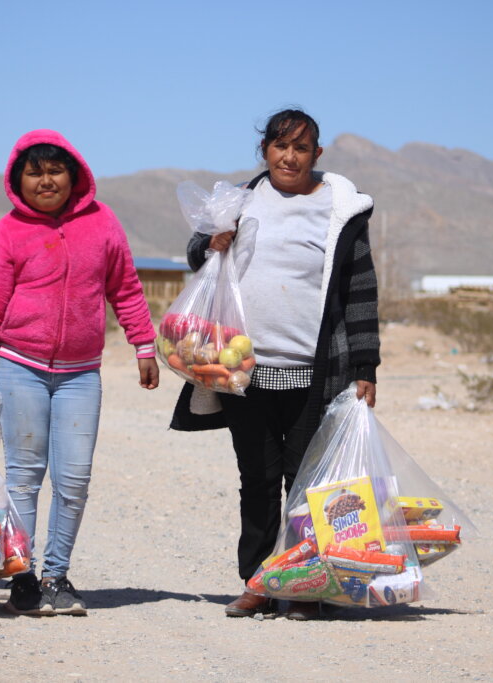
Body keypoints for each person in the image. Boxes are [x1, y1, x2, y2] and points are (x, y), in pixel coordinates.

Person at [170, 109, 380, 620]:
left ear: (317, 155)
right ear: (265, 149)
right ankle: (259, 582)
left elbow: (360, 291)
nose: (290, 157)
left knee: (309, 484)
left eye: (301, 148)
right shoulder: (240, 200)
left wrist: (366, 367)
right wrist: (210, 242)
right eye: (280, 146)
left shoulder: (341, 210)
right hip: (243, 370)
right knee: (258, 479)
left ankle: (307, 585)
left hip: (317, 371)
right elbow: (199, 251)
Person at [0, 130, 160, 617]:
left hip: (80, 374)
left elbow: (127, 289)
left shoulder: (102, 223)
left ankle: (58, 575)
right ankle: (23, 576)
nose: (46, 180)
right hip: (19, 367)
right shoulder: (8, 232)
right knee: (25, 477)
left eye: (55, 170)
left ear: (75, 176)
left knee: (74, 479)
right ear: (18, 180)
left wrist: (143, 344)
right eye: (35, 172)